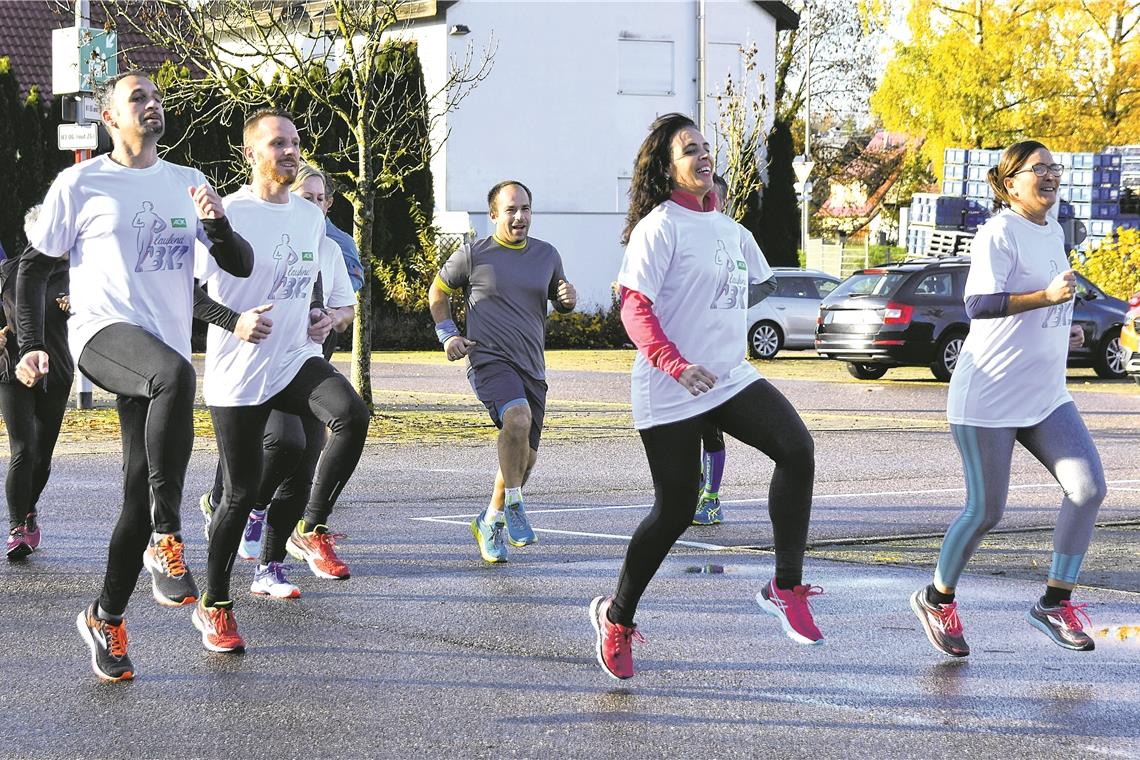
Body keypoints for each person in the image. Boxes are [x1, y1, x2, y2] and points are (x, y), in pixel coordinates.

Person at [18, 71, 253, 681]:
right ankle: (168, 537)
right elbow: (31, 267)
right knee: (176, 375)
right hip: (102, 337)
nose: (152, 105)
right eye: (137, 99)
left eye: (156, 97)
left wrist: (219, 223)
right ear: (109, 119)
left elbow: (236, 265)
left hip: (158, 356)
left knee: (134, 495)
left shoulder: (187, 183)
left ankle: (106, 615)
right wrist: (32, 343)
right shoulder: (82, 182)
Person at [589, 113, 822, 681]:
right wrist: (675, 361)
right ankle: (617, 618)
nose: (703, 155)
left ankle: (785, 585)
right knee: (674, 509)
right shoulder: (658, 227)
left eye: (705, 146)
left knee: (797, 448)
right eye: (689, 149)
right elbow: (633, 308)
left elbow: (757, 282)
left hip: (725, 376)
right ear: (667, 167)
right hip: (669, 383)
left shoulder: (731, 229)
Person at [910, 140, 1106, 657]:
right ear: (1009, 180)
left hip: (1044, 395)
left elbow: (1042, 305)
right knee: (986, 510)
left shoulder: (1053, 231)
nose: (1050, 176)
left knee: (1087, 489)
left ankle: (1054, 602)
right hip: (989, 395)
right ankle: (937, 598)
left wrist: (1063, 329)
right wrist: (1045, 299)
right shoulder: (999, 231)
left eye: (1053, 168)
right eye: (1037, 169)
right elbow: (978, 303)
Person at [194, 109, 368, 651]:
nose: (290, 151)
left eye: (294, 143)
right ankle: (215, 603)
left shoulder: (308, 216)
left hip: (293, 357)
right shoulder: (230, 213)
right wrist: (235, 320)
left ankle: (307, 528)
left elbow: (309, 282)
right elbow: (190, 294)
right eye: (277, 144)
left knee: (351, 414)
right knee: (241, 492)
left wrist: (321, 315)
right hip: (239, 373)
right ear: (251, 154)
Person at [428, 180, 576, 563]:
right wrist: (448, 335)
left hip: (532, 366)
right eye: (511, 210)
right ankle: (514, 505)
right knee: (517, 417)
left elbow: (559, 299)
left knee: (524, 460)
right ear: (494, 214)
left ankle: (489, 519)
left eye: (525, 209)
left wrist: (566, 300)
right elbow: (437, 292)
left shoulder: (547, 255)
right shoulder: (473, 255)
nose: (519, 217)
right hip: (488, 359)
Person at [692, 174, 776, 526]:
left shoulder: (739, 235)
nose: (707, 200)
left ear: (724, 201)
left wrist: (736, 304)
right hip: (685, 354)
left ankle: (711, 499)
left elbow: (767, 281)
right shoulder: (684, 233)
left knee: (711, 427)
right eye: (703, 195)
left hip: (722, 358)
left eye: (714, 196)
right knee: (684, 430)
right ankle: (691, 493)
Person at [2, 207, 73, 559]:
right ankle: (17, 527)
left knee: (42, 457)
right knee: (23, 449)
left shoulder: (79, 273)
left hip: (57, 372)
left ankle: (28, 511)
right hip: (12, 371)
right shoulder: (8, 271)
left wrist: (78, 307)